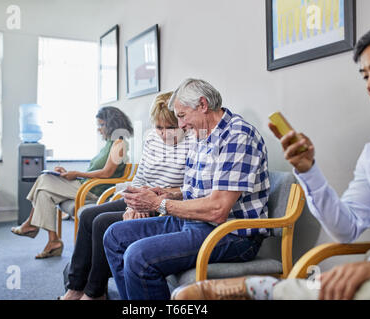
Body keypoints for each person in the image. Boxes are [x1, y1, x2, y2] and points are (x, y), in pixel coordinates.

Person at [171, 22, 370, 301]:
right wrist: (308, 171)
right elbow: (345, 229)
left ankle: (261, 289)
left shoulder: (237, 134)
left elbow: (218, 207)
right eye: (365, 75)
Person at [103, 78, 270, 300]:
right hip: (196, 222)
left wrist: (157, 204)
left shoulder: (237, 137)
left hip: (232, 235)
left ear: (202, 105)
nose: (180, 125)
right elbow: (197, 191)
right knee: (114, 235)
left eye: (182, 116)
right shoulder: (200, 135)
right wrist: (167, 193)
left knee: (138, 256)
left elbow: (217, 209)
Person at [60, 92, 194, 300]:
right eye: (159, 128)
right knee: (87, 216)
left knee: (102, 222)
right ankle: (75, 288)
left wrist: (152, 203)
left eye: (171, 128)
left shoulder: (193, 142)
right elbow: (140, 177)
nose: (164, 134)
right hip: (140, 198)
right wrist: (133, 205)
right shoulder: (151, 139)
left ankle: (94, 292)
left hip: (163, 203)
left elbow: (188, 188)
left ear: (182, 123)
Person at [11, 106, 133, 259]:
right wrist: (71, 174)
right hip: (86, 186)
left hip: (94, 192)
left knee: (44, 179)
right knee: (44, 192)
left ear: (112, 123)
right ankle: (53, 241)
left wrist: (77, 174)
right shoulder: (110, 144)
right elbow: (96, 171)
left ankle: (30, 224)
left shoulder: (119, 144)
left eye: (101, 125)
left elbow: (107, 173)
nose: (99, 129)